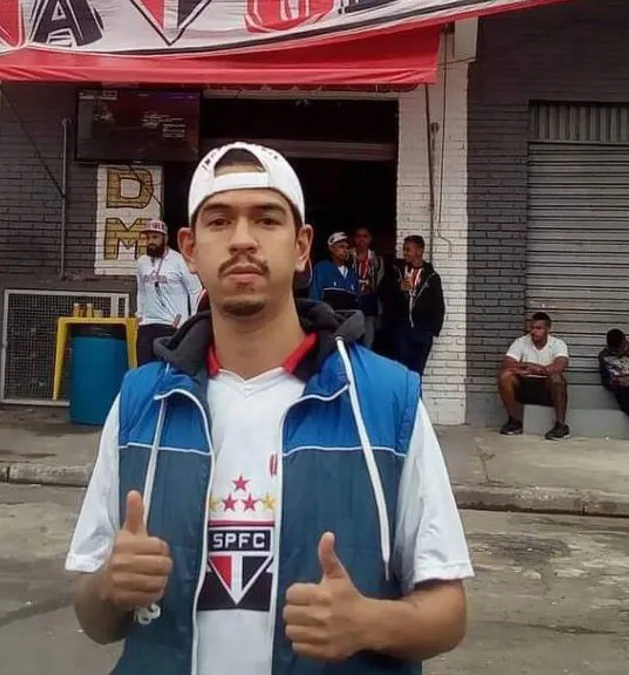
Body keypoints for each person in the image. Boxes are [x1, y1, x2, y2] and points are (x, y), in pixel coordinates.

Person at [66, 142, 473, 674]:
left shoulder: (386, 400)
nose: (242, 239)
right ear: (190, 249)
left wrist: (369, 624)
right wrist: (109, 588)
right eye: (219, 221)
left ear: (301, 246)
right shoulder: (142, 401)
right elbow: (95, 620)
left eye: (266, 219)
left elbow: (448, 614)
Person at [134, 218, 203, 365]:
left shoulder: (179, 260)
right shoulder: (142, 262)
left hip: (171, 325)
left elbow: (195, 290)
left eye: (155, 237)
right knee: (144, 369)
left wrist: (190, 320)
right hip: (147, 324)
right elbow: (141, 290)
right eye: (148, 238)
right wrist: (140, 315)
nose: (150, 241)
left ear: (165, 239)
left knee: (168, 369)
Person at [498, 312, 571, 440]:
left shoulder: (558, 344)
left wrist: (537, 370)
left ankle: (561, 425)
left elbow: (560, 366)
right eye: (532, 328)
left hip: (547, 388)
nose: (533, 331)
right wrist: (528, 365)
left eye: (538, 328)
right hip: (525, 386)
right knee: (505, 376)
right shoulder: (521, 342)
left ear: (548, 329)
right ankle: (514, 421)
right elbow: (507, 363)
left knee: (557, 379)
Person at [383, 235, 445, 375]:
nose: (404, 253)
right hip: (400, 330)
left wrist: (431, 330)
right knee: (400, 372)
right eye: (404, 249)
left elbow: (438, 305)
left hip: (422, 332)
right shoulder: (395, 270)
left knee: (417, 373)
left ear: (419, 251)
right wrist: (398, 288)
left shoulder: (432, 276)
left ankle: (415, 392)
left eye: (408, 250)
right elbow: (382, 293)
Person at [308, 231, 360, 317]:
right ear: (331, 248)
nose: (345, 250)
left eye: (347, 248)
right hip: (328, 319)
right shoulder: (321, 268)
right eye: (341, 247)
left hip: (349, 321)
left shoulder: (352, 274)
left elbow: (357, 301)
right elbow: (314, 298)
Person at [350, 226, 384, 348]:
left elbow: (380, 285)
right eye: (358, 236)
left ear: (370, 239)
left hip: (369, 301)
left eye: (365, 236)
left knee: (368, 338)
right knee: (352, 337)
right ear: (354, 238)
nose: (362, 239)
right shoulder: (348, 256)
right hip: (351, 302)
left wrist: (380, 311)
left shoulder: (376, 260)